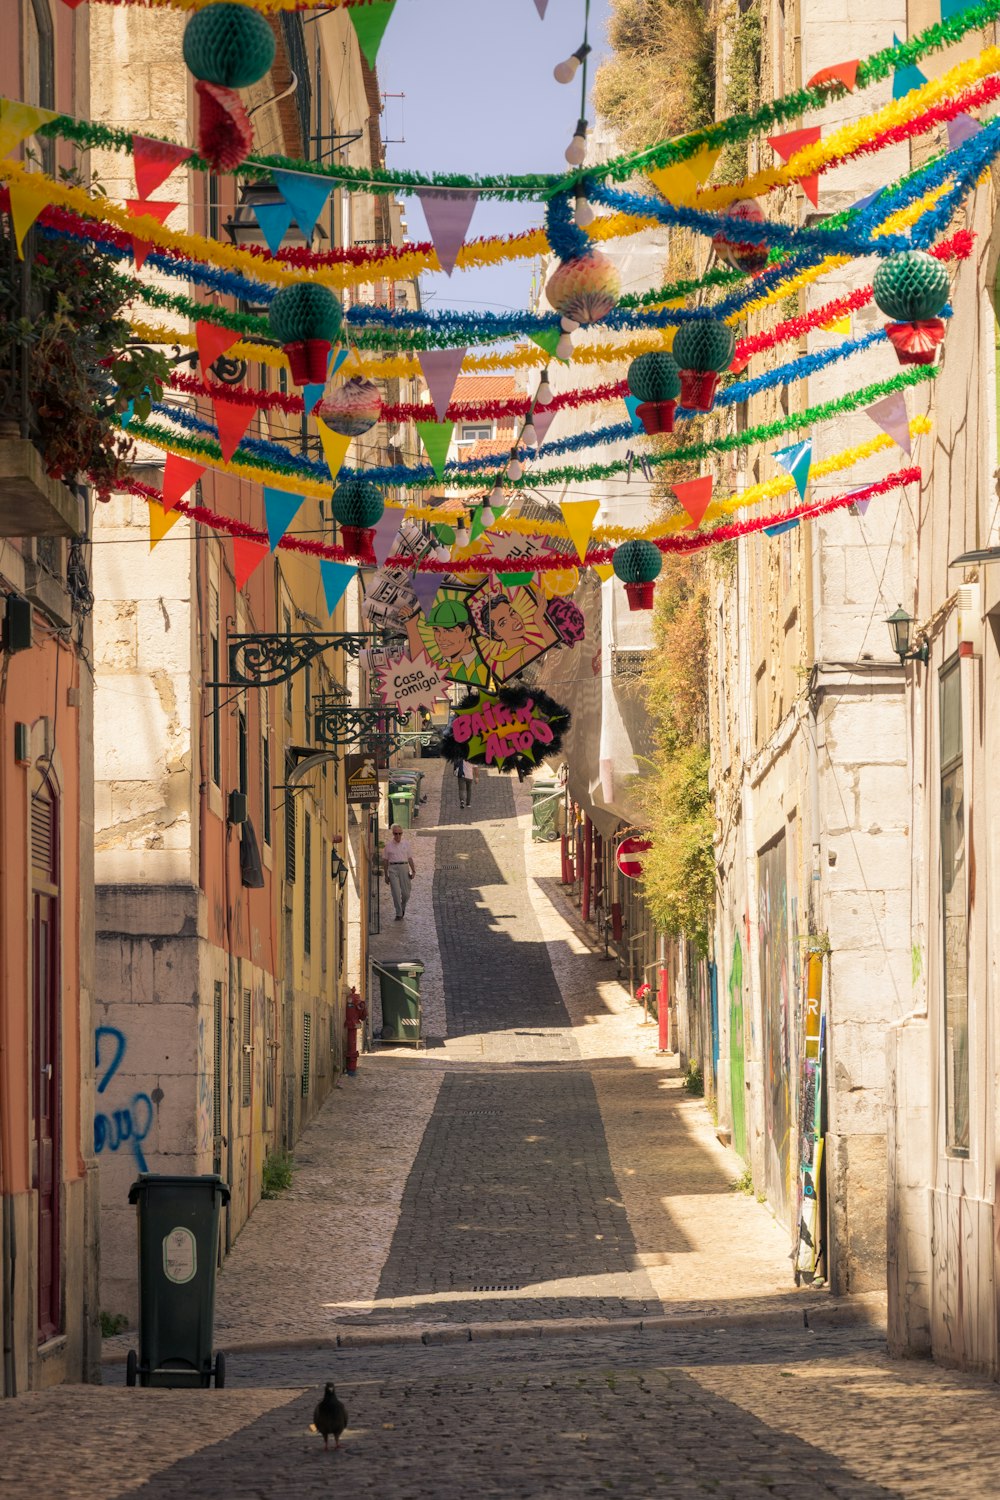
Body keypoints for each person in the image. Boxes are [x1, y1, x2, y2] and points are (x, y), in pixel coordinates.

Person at [382, 822, 416, 920]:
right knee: (396, 893)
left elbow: (410, 858)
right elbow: (385, 861)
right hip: (393, 869)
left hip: (404, 868)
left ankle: (402, 906)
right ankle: (399, 913)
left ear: (402, 833)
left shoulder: (406, 844)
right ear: (393, 834)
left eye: (399, 833)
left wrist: (413, 871)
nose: (397, 835)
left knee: (406, 893)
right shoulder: (388, 846)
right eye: (395, 833)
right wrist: (386, 875)